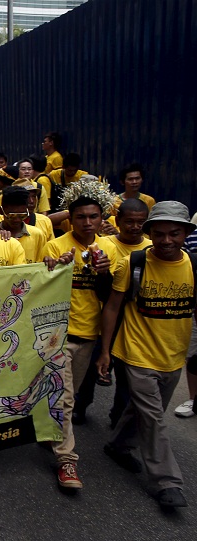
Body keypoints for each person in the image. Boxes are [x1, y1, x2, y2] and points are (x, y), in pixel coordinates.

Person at [98, 201, 195, 509]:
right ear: (150, 233)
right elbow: (113, 307)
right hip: (136, 352)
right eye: (160, 234)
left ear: (186, 235)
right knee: (154, 417)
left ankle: (117, 445)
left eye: (175, 234)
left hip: (173, 356)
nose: (167, 241)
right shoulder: (133, 263)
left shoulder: (194, 265)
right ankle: (167, 482)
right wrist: (105, 353)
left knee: (141, 412)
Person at [41, 179, 119, 489]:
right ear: (69, 219)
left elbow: (112, 299)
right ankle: (67, 461)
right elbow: (38, 289)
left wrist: (103, 273)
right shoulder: (55, 247)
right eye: (80, 217)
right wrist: (50, 268)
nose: (87, 223)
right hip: (56, 335)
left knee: (63, 395)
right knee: (66, 398)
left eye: (93, 217)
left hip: (88, 336)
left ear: (102, 219)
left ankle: (51, 432)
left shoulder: (110, 249)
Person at [74, 198, 151, 426]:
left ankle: (118, 416)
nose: (134, 227)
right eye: (129, 222)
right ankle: (80, 405)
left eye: (140, 222)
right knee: (92, 365)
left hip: (136, 322)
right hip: (104, 317)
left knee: (128, 375)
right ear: (117, 221)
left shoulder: (150, 249)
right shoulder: (103, 245)